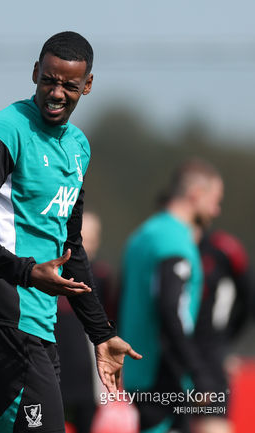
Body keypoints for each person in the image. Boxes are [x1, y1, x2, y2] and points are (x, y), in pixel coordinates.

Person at [0, 31, 140, 433]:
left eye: (69, 85)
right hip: (0, 323)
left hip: (40, 328)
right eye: (49, 80)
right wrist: (26, 272)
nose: (56, 93)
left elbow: (71, 247)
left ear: (87, 85)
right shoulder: (2, 131)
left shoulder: (79, 147)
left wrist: (101, 333)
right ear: (35, 72)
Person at [119, 159, 224, 433]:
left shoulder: (143, 235)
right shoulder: (174, 240)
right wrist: (197, 371)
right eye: (215, 200)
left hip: (139, 371)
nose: (216, 210)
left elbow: (118, 298)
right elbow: (170, 309)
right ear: (196, 194)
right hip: (164, 374)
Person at [55, 211, 117, 433]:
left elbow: (109, 320)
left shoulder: (101, 276)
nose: (86, 245)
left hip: (87, 375)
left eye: (91, 239)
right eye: (82, 238)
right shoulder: (49, 273)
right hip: (54, 370)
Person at [192, 228, 251, 433]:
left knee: (212, 419)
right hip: (170, 354)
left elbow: (249, 300)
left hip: (210, 356)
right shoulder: (160, 243)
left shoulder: (223, 248)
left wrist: (225, 345)